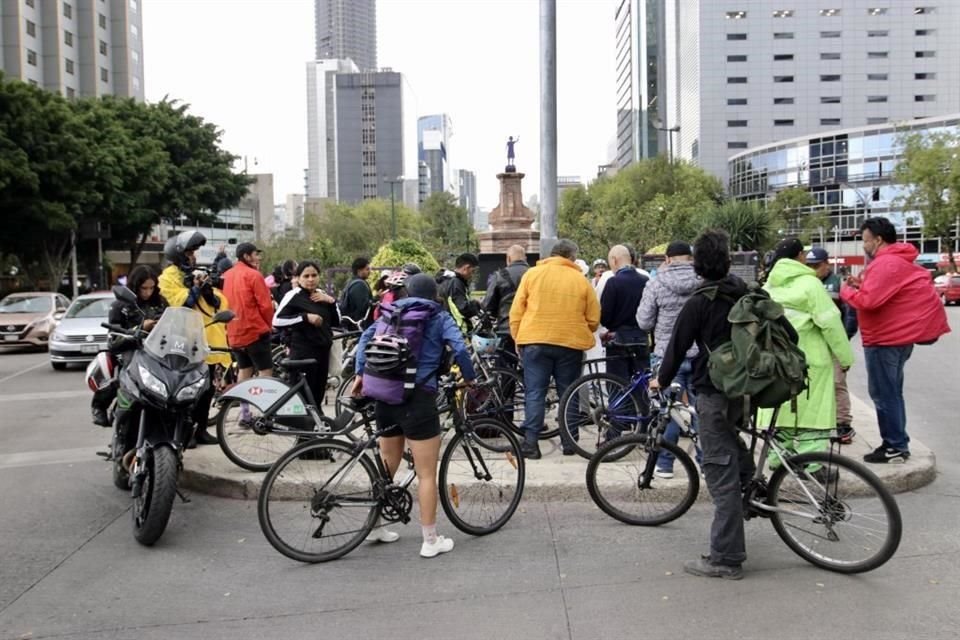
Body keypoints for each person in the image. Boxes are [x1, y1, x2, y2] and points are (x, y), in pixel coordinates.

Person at [651, 229, 796, 580]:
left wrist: (662, 380)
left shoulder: (699, 302)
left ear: (699, 267)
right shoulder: (748, 293)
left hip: (714, 390)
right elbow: (789, 334)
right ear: (730, 262)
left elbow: (675, 348)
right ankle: (752, 486)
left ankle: (726, 558)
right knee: (731, 442)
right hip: (751, 391)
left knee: (719, 471)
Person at [352, 274, 478, 557]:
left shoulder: (391, 311)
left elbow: (365, 337)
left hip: (384, 394)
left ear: (407, 291)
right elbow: (459, 347)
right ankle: (430, 540)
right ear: (435, 294)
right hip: (418, 398)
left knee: (387, 466)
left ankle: (376, 525)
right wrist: (469, 378)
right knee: (426, 475)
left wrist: (360, 373)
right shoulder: (438, 315)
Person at [841, 217, 950, 463]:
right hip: (898, 338)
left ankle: (895, 446)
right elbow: (886, 293)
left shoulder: (885, 263)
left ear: (878, 240)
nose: (863, 245)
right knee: (891, 392)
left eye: (865, 240)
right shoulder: (898, 261)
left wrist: (847, 291)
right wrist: (862, 284)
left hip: (885, 339)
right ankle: (897, 441)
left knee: (884, 394)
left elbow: (868, 302)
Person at [758, 239, 854, 476]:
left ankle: (779, 458)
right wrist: (845, 357)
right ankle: (813, 464)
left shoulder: (768, 286)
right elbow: (831, 323)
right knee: (814, 411)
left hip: (777, 360)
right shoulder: (811, 285)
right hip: (811, 361)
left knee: (781, 408)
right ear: (800, 256)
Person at [510, 239, 601, 459]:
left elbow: (516, 311)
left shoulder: (532, 275)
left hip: (534, 341)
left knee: (535, 392)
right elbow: (594, 319)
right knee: (567, 392)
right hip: (570, 344)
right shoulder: (581, 280)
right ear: (571, 257)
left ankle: (531, 443)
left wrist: (518, 337)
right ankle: (570, 442)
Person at [636, 240, 701, 478]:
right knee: (701, 410)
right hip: (699, 354)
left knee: (667, 410)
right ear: (690, 258)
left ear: (667, 259)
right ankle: (706, 463)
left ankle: (664, 464)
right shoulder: (702, 282)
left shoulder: (656, 283)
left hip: (666, 355)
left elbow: (644, 321)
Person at [158, 231, 230, 446]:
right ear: (179, 254)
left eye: (194, 252)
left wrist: (207, 291)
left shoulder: (199, 273)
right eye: (190, 252)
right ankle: (183, 432)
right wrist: (194, 288)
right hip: (181, 342)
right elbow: (180, 303)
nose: (194, 256)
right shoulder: (168, 277)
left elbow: (220, 303)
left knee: (206, 389)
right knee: (186, 389)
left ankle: (200, 429)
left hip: (206, 341)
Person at [90, 265, 168, 426]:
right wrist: (139, 330)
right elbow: (113, 341)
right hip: (130, 351)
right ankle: (100, 407)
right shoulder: (121, 305)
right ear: (135, 286)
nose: (147, 292)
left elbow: (174, 323)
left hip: (157, 353)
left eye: (151, 288)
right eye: (143, 288)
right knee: (126, 376)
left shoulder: (161, 302)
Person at [273, 261, 340, 411]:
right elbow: (277, 320)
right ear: (298, 278)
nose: (311, 279)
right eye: (306, 276)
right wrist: (305, 317)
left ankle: (315, 427)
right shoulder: (293, 295)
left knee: (318, 393)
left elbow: (337, 322)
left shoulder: (321, 295)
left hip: (322, 352)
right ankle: (302, 430)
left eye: (314, 275)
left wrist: (331, 302)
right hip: (303, 352)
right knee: (302, 396)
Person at [805, 247, 856, 444]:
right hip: (814, 343)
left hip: (833, 342)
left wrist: (845, 337)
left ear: (827, 264)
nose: (814, 269)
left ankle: (843, 424)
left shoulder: (838, 284)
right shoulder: (808, 284)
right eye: (810, 265)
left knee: (837, 383)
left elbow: (851, 315)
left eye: (817, 265)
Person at [600, 244, 649, 383]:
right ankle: (641, 404)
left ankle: (621, 405)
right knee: (642, 382)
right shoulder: (645, 280)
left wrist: (609, 327)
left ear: (614, 260)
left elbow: (605, 316)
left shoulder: (613, 282)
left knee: (618, 383)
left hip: (618, 339)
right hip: (641, 337)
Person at [481, 244, 529, 364]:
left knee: (506, 369)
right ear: (525, 258)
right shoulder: (534, 274)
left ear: (508, 259)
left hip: (506, 329)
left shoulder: (500, 276)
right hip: (531, 330)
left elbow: (488, 304)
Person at [438, 253, 482, 333]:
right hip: (458, 330)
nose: (471, 275)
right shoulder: (456, 283)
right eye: (472, 271)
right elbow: (463, 308)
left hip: (446, 327)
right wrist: (477, 304)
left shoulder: (445, 280)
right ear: (466, 268)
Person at [340, 256, 374, 326]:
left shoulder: (351, 282)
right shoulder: (359, 285)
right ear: (359, 271)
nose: (369, 271)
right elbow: (363, 308)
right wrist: (377, 299)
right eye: (367, 269)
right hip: (359, 324)